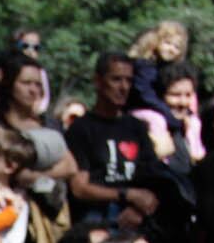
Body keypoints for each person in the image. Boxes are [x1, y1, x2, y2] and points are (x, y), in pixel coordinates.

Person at [65, 52, 159, 229]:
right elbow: (79, 188)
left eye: (128, 81)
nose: (123, 87)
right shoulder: (81, 128)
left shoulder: (136, 128)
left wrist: (137, 208)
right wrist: (126, 194)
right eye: (116, 79)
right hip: (97, 216)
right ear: (98, 81)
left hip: (136, 214)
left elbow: (153, 177)